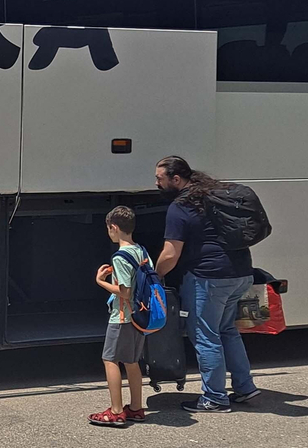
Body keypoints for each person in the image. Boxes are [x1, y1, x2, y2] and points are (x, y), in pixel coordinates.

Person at [154, 156, 260, 413]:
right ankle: (245, 387)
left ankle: (214, 398)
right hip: (241, 273)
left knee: (205, 336)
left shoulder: (181, 207)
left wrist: (155, 276)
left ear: (176, 179)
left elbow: (170, 254)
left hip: (209, 279)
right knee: (227, 331)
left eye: (160, 178)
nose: (157, 183)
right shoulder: (215, 195)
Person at [89, 205, 150, 427]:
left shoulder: (120, 256)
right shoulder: (141, 251)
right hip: (140, 317)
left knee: (110, 359)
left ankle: (115, 410)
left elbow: (125, 292)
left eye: (108, 228)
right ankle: (135, 407)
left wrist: (101, 281)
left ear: (114, 227)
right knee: (132, 361)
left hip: (122, 317)